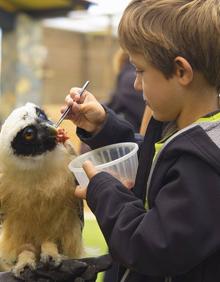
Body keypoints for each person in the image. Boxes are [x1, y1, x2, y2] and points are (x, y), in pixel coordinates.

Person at [61, 0, 220, 281]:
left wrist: (104, 193)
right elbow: (152, 165)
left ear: (181, 71)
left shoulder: (206, 162)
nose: (135, 84)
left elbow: (152, 248)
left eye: (140, 70)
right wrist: (103, 127)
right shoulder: (179, 131)